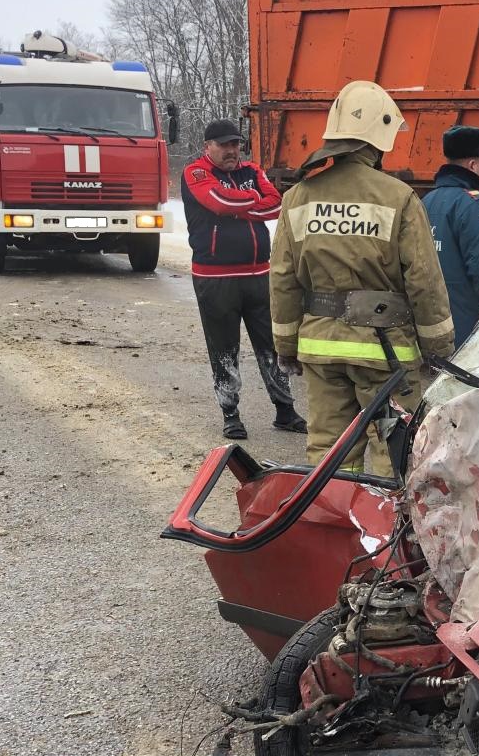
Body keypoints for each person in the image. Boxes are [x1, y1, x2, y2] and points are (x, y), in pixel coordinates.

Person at [270, 81, 454, 476]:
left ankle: (336, 529)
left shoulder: (298, 197)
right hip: (386, 352)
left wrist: (285, 345)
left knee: (329, 452)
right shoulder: (399, 197)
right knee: (395, 450)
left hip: (321, 348)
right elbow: (423, 280)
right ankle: (387, 534)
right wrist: (439, 346)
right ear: (380, 134)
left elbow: (283, 278)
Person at [181, 118, 307, 440]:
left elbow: (276, 204)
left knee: (273, 345)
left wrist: (239, 207)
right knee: (224, 349)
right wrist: (250, 204)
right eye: (224, 145)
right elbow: (217, 202)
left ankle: (285, 410)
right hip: (215, 277)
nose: (232, 150)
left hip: (258, 274)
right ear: (207, 146)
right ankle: (230, 414)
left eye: (235, 143)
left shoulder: (252, 171)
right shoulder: (195, 172)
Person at [424, 125, 479, 344]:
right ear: (473, 165)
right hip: (469, 336)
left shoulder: (425, 202)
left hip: (434, 331)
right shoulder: (477, 205)